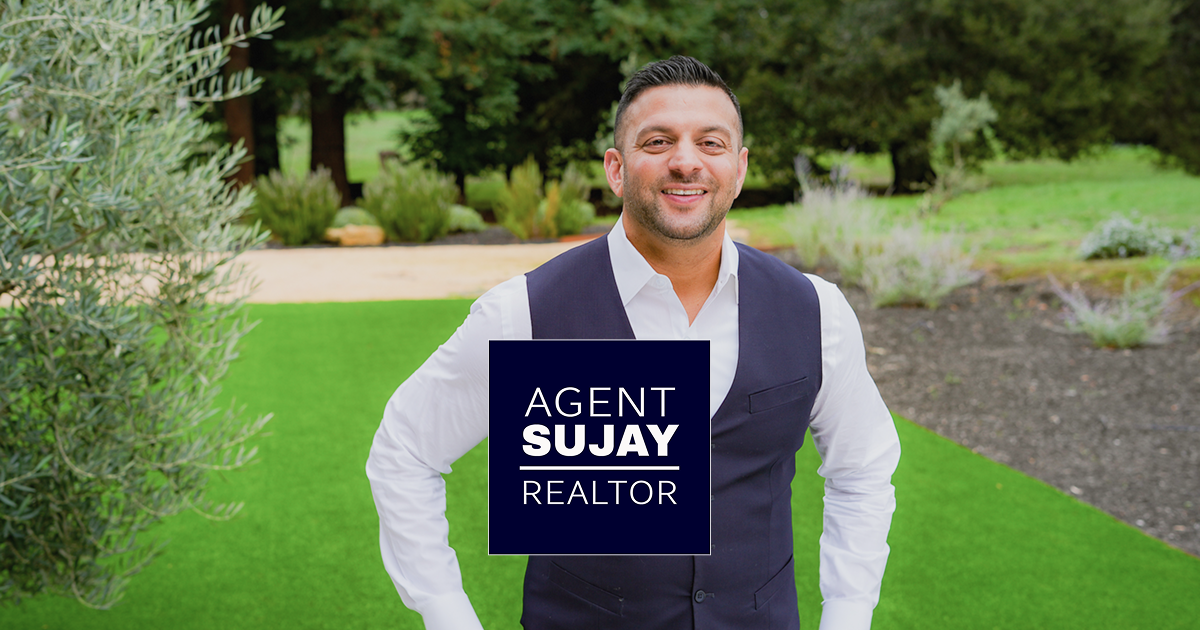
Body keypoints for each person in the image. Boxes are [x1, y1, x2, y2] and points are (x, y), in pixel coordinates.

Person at [366, 56, 900, 630]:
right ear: (616, 170)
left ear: (739, 169)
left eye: (711, 143)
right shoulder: (526, 313)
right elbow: (405, 449)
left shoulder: (815, 312)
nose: (686, 161)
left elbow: (862, 470)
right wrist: (447, 614)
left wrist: (848, 615)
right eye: (658, 141)